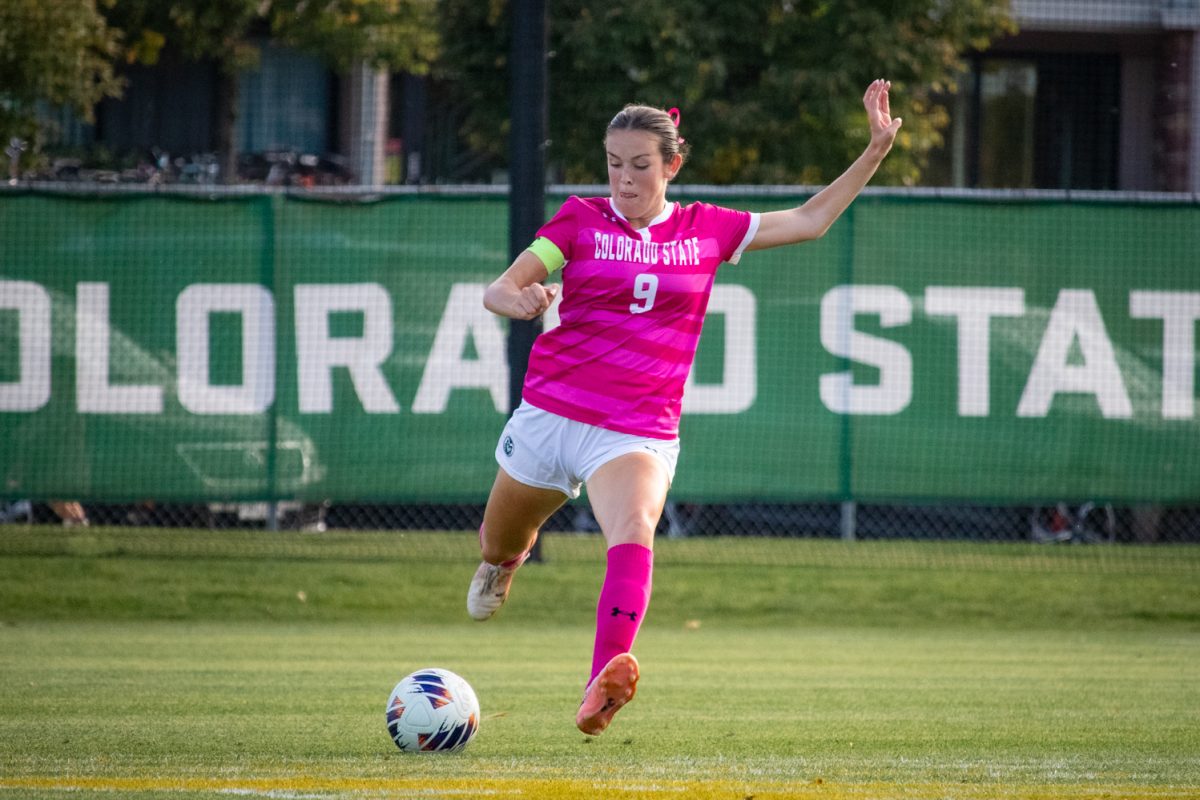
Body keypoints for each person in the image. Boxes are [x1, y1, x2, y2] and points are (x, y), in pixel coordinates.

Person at [468, 80, 902, 736]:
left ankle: (601, 682)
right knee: (500, 539)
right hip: (551, 414)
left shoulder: (707, 230)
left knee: (637, 527)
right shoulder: (579, 220)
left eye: (640, 165)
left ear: (672, 165)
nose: (624, 179)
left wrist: (874, 149)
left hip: (636, 428)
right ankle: (503, 566)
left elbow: (810, 221)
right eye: (614, 164)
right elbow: (501, 287)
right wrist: (518, 301)